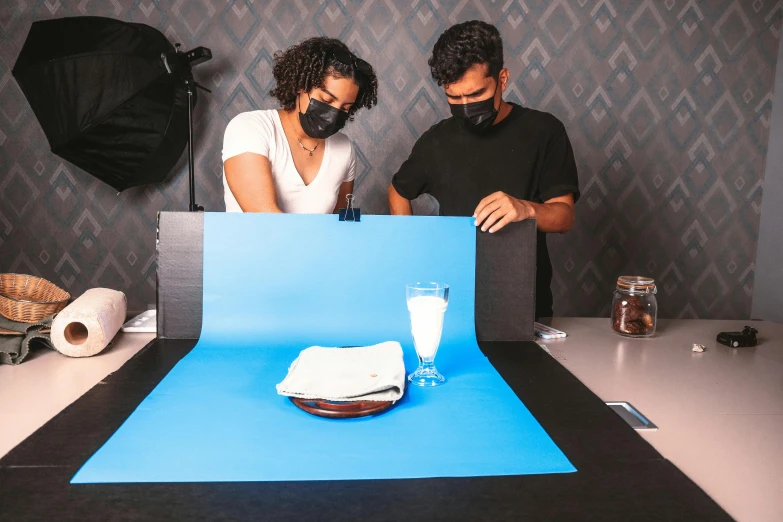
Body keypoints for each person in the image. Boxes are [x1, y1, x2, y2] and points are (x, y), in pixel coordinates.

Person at [388, 21, 579, 318]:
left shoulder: (545, 131)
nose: (465, 107)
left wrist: (525, 209)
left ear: (502, 79)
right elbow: (398, 191)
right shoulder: (437, 140)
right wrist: (412, 248)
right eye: (454, 98)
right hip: (451, 304)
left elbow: (564, 216)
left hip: (524, 303)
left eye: (476, 95)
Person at [222, 37, 378, 213]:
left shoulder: (344, 148)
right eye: (326, 100)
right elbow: (265, 220)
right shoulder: (249, 128)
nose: (334, 114)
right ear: (301, 86)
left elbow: (338, 225)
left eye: (345, 108)